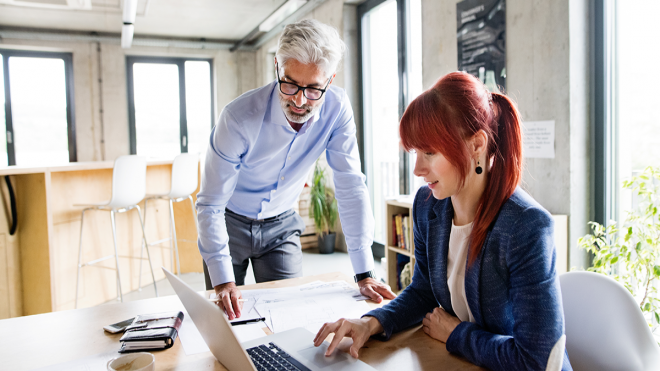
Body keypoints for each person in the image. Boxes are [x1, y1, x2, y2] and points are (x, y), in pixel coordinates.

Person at [313, 72, 573, 371]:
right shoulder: (428, 206)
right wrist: (370, 323)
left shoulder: (526, 227)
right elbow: (424, 291)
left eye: (429, 152)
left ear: (477, 145)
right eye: (415, 152)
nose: (417, 169)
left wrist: (456, 334)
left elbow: (536, 359)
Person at [196, 19, 395, 320]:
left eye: (314, 88)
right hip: (229, 222)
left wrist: (365, 272)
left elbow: (350, 184)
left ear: (330, 80)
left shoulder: (337, 109)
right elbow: (210, 204)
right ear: (277, 66)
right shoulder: (237, 119)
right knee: (225, 318)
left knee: (290, 319)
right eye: (289, 84)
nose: (300, 101)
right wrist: (223, 281)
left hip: (281, 226)